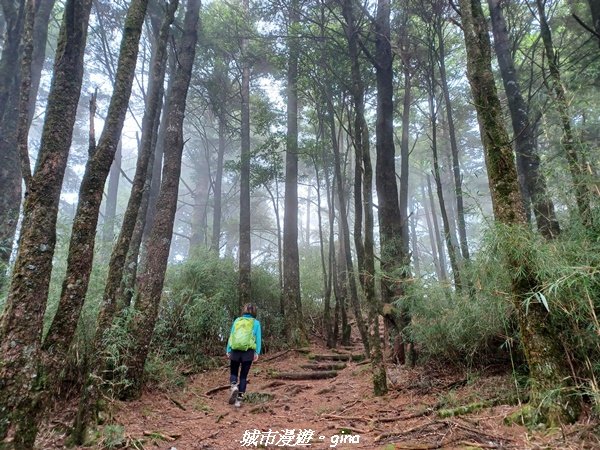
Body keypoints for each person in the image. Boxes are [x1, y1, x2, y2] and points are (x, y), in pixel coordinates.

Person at [226, 303, 262, 407]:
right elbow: (258, 339)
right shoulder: (256, 323)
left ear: (244, 310)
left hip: (235, 350)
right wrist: (257, 352)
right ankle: (239, 400)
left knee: (233, 371)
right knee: (243, 376)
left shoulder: (237, 320)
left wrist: (228, 349)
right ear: (254, 311)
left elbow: (232, 335)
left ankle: (233, 386)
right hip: (248, 352)